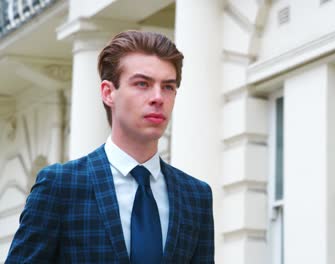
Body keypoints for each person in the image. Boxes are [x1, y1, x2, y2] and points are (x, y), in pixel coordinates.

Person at [6, 30, 214, 263]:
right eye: (142, 84)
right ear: (108, 93)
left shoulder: (196, 196)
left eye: (168, 87)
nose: (158, 97)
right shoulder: (61, 186)